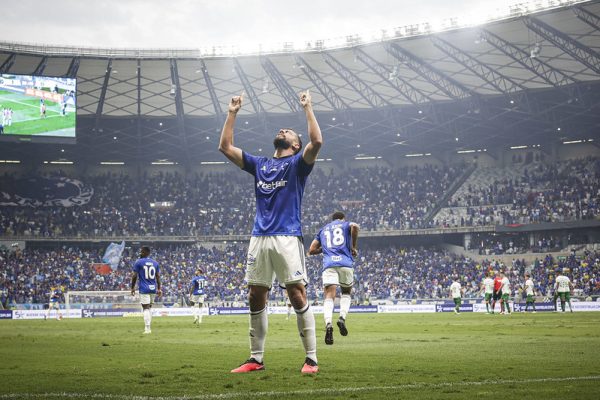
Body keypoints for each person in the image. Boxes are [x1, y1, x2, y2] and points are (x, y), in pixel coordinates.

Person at [219, 89, 322, 374]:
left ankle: (311, 359)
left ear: (295, 143)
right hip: (259, 237)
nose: (282, 130)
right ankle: (256, 359)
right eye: (282, 129)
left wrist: (308, 107)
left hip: (287, 236)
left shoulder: (298, 164)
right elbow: (225, 147)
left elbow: (317, 141)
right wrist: (232, 113)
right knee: (255, 295)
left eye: (288, 131)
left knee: (297, 294)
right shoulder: (260, 164)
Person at [308, 211, 359, 345]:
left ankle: (328, 324)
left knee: (329, 295)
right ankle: (342, 318)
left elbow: (311, 250)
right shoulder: (345, 224)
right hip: (345, 263)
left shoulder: (323, 229)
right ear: (343, 218)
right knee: (346, 292)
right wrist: (353, 247)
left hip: (329, 264)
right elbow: (355, 227)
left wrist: (324, 249)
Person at [131, 246, 162, 334]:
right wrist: (159, 288)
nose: (140, 253)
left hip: (144, 288)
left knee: (145, 308)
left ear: (145, 252)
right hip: (153, 288)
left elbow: (134, 276)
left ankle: (147, 329)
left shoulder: (139, 262)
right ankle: (148, 327)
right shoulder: (155, 263)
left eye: (141, 251)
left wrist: (132, 287)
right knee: (149, 308)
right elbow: (158, 276)